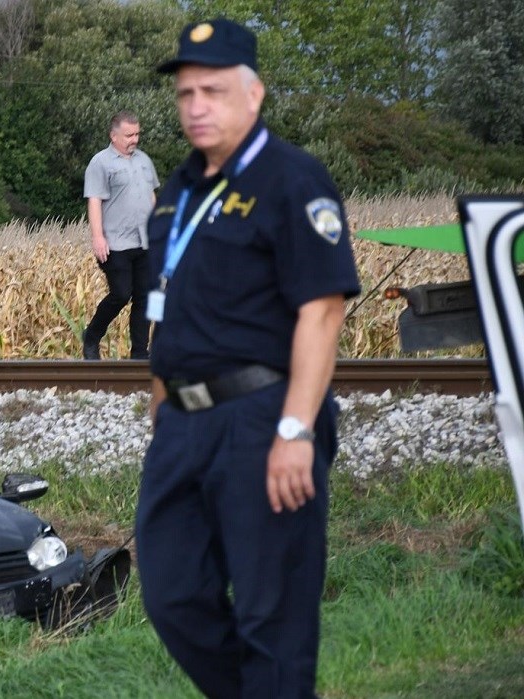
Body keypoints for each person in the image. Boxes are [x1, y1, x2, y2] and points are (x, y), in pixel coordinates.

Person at [135, 18, 361, 698]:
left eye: (212, 90)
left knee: (273, 615)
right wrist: (159, 401)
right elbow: (166, 302)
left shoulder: (292, 179)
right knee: (173, 596)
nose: (196, 106)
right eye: (185, 93)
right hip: (183, 422)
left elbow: (322, 310)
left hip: (264, 417)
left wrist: (295, 428)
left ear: (253, 95)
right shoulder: (175, 191)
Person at [82, 110, 160, 360]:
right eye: (128, 135)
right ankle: (92, 335)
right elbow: (94, 200)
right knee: (121, 294)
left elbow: (151, 196)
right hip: (115, 242)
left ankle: (139, 353)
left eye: (137, 134)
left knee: (144, 297)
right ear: (113, 136)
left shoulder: (144, 161)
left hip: (144, 241)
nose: (134, 139)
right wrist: (98, 237)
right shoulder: (100, 162)